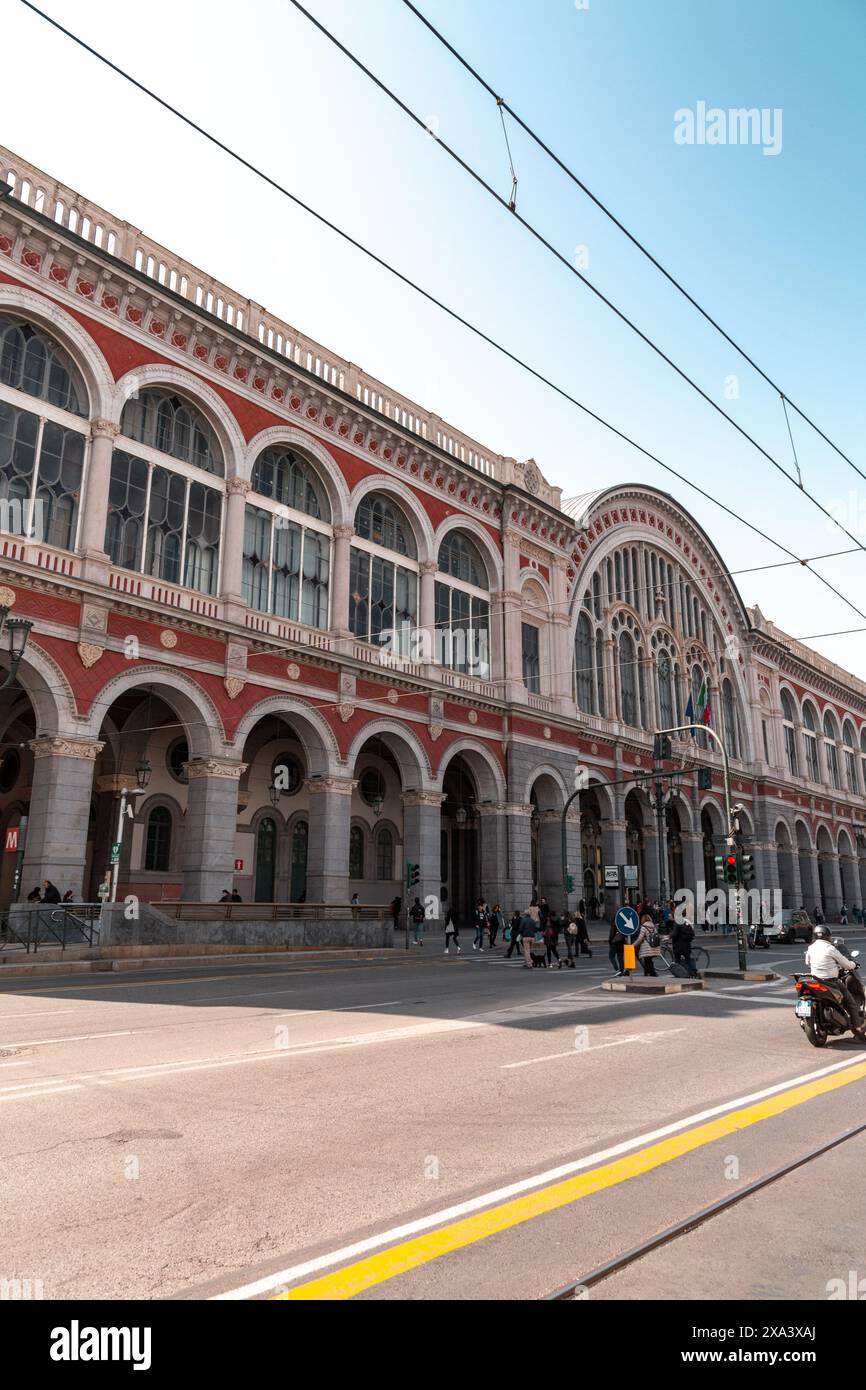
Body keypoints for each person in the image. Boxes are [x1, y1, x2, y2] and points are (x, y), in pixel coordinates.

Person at [805, 925, 863, 1034]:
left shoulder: (811, 948)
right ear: (827, 936)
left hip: (816, 980)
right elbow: (846, 964)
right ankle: (857, 1027)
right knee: (851, 1003)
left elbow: (807, 963)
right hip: (831, 981)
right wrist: (854, 964)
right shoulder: (830, 948)